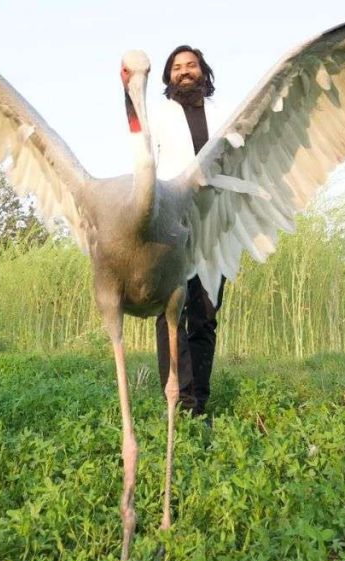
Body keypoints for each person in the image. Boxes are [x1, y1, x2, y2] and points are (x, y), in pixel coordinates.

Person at [151, 45, 226, 418]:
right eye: (177, 67)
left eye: (191, 65)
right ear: (169, 77)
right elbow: (146, 169)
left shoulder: (222, 116)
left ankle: (200, 401)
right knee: (171, 315)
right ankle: (179, 401)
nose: (184, 71)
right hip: (173, 226)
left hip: (214, 225)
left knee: (206, 315)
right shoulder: (160, 116)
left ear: (202, 71)